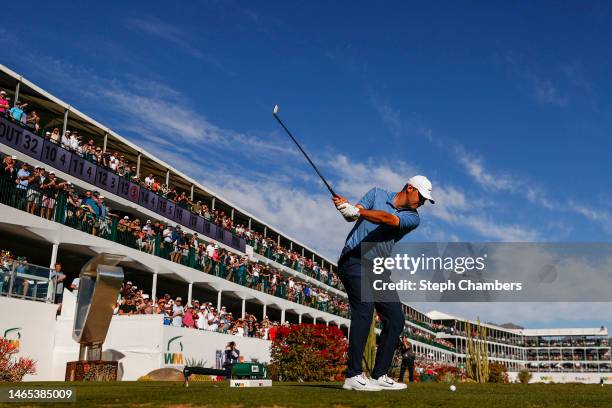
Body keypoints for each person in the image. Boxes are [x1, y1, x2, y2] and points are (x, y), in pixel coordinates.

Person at [333, 175, 434, 391]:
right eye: (422, 197)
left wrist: (357, 211)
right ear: (409, 188)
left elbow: (388, 220)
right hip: (354, 258)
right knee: (364, 307)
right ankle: (352, 375)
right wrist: (346, 208)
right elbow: (352, 216)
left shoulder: (413, 217)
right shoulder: (376, 193)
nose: (423, 202)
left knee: (396, 319)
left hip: (378, 268)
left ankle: (379, 375)